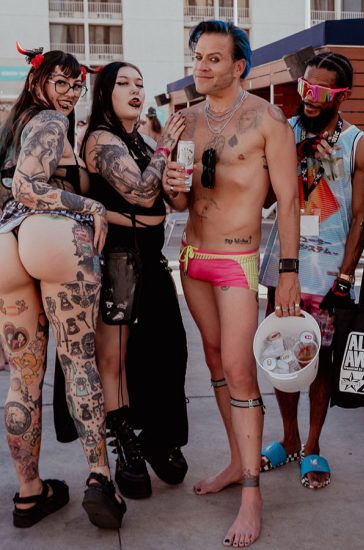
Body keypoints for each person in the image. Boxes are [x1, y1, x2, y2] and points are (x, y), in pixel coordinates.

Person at [163, 20, 300, 547]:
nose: (200, 65)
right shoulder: (186, 120)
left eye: (213, 58)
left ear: (239, 65)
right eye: (198, 56)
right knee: (217, 366)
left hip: (238, 262)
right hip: (192, 257)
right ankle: (236, 462)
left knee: (241, 372)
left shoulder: (269, 119)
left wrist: (287, 271)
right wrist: (171, 182)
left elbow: (289, 201)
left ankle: (251, 492)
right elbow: (180, 199)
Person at [0, 44, 125, 528]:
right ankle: (100, 479)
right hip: (51, 235)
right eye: (62, 82)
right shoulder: (51, 121)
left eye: (77, 85)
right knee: (78, 363)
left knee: (23, 376)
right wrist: (90, 206)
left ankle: (29, 494)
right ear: (38, 82)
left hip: (7, 243)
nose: (71, 93)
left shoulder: (12, 128)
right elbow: (27, 185)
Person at [68, 61, 189, 499]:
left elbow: (166, 198)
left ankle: (157, 435)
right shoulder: (101, 139)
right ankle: (126, 446)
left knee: (167, 348)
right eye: (123, 83)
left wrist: (173, 170)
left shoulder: (139, 139)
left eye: (140, 83)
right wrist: (165, 147)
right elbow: (139, 191)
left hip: (149, 256)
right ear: (104, 92)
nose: (135, 89)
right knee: (114, 357)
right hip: (116, 257)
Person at [258, 52, 364, 489]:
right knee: (280, 356)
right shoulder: (283, 132)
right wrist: (294, 157)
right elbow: (265, 200)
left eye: (321, 92)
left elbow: (362, 217)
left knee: (320, 362)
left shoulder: (360, 145)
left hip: (328, 272)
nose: (309, 98)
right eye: (305, 88)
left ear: (342, 96)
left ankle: (312, 444)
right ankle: (288, 438)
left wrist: (345, 277)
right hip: (285, 266)